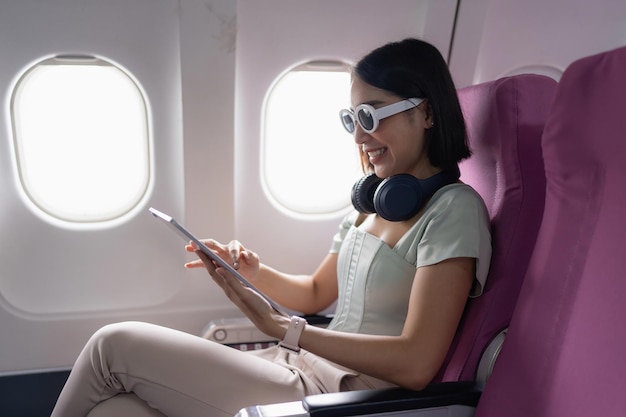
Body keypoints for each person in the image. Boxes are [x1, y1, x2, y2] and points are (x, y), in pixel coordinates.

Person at [51, 38, 491, 417]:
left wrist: (287, 329)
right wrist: (250, 272)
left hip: (342, 397)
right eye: (351, 119)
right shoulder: (369, 202)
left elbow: (417, 364)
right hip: (297, 363)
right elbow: (318, 293)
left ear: (428, 114)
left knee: (113, 346)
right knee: (116, 410)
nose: (359, 137)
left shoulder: (452, 211)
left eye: (372, 117)